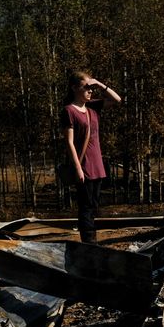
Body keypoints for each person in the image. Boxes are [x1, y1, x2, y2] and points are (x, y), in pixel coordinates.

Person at [61, 70, 121, 243]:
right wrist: (78, 168)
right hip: (84, 166)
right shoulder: (69, 111)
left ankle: (91, 243)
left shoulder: (93, 107)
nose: (90, 91)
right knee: (86, 208)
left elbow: (117, 100)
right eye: (86, 87)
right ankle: (90, 244)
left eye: (91, 88)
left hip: (97, 165)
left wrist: (100, 84)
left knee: (93, 207)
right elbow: (69, 142)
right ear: (74, 88)